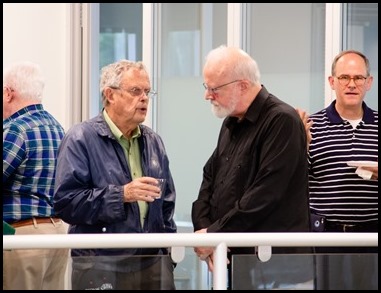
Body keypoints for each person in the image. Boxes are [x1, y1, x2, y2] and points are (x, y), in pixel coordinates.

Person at [191, 45, 311, 289]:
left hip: (277, 269)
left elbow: (265, 195)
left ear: (243, 85)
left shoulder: (282, 120)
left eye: (214, 88)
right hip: (236, 262)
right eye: (207, 87)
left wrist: (213, 236)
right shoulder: (231, 121)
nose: (207, 96)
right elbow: (210, 178)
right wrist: (204, 231)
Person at [53, 59, 177, 290]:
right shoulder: (80, 138)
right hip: (101, 264)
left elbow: (166, 204)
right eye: (135, 91)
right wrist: (121, 195)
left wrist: (166, 255)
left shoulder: (153, 142)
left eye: (147, 92)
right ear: (110, 95)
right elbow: (66, 203)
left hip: (152, 265)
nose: (144, 98)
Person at [297, 50, 378, 290]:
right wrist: (301, 145)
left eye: (358, 78)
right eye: (344, 78)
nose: (351, 84)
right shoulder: (312, 125)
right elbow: (295, 181)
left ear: (369, 82)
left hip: (373, 233)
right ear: (332, 82)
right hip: (327, 235)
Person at [3, 61, 68, 290]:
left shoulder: (15, 129)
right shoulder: (57, 127)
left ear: (9, 93)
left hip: (24, 237)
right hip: (57, 233)